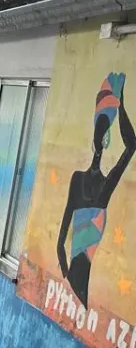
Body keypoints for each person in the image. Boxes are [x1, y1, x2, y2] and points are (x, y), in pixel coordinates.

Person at [57, 73, 136, 306]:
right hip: (74, 277)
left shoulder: (105, 186)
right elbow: (62, 236)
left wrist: (121, 105)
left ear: (106, 139)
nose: (99, 139)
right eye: (97, 130)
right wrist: (62, 266)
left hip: (80, 279)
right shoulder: (79, 179)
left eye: (103, 132)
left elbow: (132, 146)